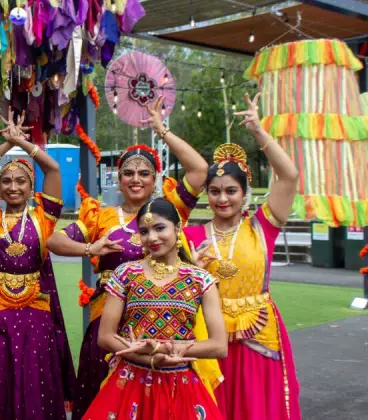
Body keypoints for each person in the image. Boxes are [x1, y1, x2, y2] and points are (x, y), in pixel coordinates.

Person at [46, 96, 210, 419]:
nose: (136, 179)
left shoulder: (168, 212)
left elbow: (200, 170)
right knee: (101, 401)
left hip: (158, 326)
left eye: (144, 173)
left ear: (155, 180)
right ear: (118, 180)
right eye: (128, 173)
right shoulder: (101, 216)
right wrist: (90, 249)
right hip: (106, 326)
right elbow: (53, 241)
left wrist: (162, 130)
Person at [183, 93, 301, 420]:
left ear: (244, 193)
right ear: (207, 194)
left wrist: (259, 133)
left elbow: (289, 176)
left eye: (231, 190)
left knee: (258, 408)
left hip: (259, 334)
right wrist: (193, 268)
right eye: (216, 191)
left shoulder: (263, 226)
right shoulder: (192, 236)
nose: (223, 199)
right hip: (210, 335)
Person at [0, 108, 75, 419]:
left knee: (36, 378)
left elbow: (53, 170)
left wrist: (24, 143)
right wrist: (5, 145)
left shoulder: (44, 215)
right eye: (6, 182)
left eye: (21, 182)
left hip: (35, 310)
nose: (13, 187)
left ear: (31, 189)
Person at [83, 198, 227, 419]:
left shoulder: (200, 279)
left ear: (178, 228)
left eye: (160, 228)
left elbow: (218, 346)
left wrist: (159, 349)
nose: (152, 238)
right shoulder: (126, 274)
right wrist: (150, 359)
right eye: (144, 231)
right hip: (130, 381)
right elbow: (105, 337)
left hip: (180, 385)